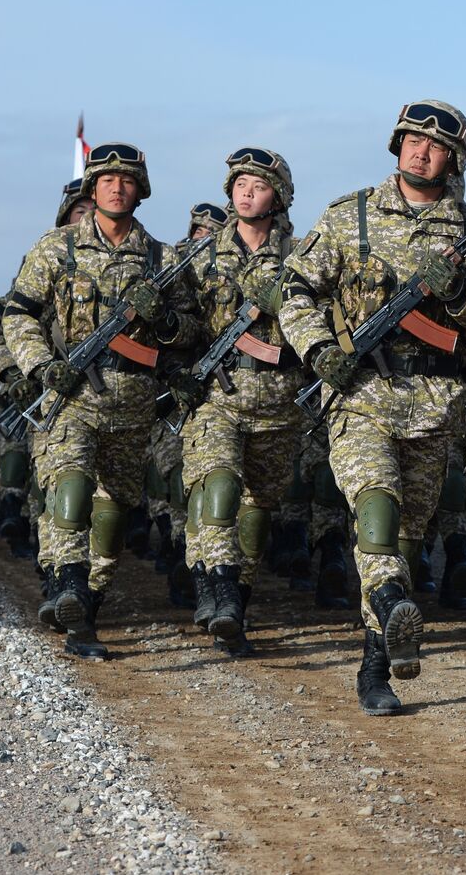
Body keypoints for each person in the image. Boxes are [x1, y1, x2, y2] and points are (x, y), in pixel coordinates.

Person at [279, 100, 466, 715]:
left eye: (436, 146)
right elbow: (297, 288)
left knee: (408, 537)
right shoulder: (350, 216)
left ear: (454, 159)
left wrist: (460, 291)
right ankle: (388, 610)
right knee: (377, 511)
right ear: (397, 145)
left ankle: (376, 660)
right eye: (413, 140)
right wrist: (318, 349)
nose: (422, 151)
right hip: (360, 394)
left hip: (437, 404)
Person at [4, 142, 199, 658]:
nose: (116, 187)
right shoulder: (57, 247)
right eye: (106, 179)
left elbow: (190, 334)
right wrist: (41, 365)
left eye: (127, 180)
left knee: (113, 513)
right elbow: (18, 314)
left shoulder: (164, 259)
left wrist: (161, 319)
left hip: (133, 403)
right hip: (70, 398)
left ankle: (86, 603)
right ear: (93, 188)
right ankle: (67, 585)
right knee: (70, 489)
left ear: (141, 190)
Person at [178, 148, 303, 655]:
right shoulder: (199, 256)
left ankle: (233, 601)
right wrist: (173, 337)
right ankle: (221, 589)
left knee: (258, 508)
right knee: (220, 487)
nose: (246, 192)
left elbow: (326, 324)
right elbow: (181, 324)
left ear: (279, 196)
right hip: (217, 396)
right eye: (240, 183)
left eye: (259, 184)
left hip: (279, 397)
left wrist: (293, 308)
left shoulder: (302, 254)